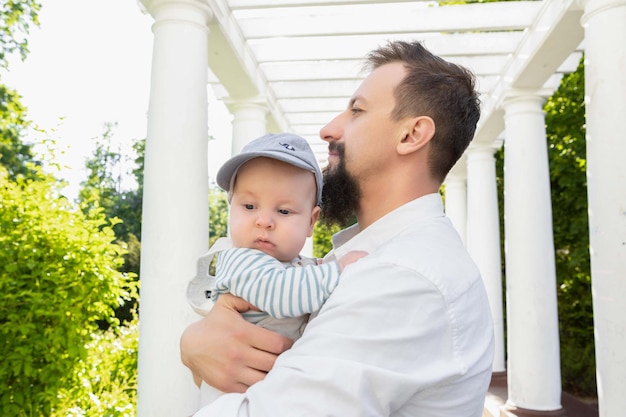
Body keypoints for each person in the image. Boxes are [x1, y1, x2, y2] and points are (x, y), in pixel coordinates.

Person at [181, 40, 495, 417]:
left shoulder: (401, 278)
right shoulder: (371, 259)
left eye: (356, 111)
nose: (328, 129)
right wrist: (197, 340)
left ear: (411, 135)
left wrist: (195, 346)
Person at [186, 133, 367, 404]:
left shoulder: (295, 267)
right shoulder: (240, 260)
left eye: (283, 211)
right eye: (249, 206)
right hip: (232, 402)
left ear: (311, 221)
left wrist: (318, 268)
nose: (264, 221)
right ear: (231, 207)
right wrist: (337, 271)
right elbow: (281, 293)